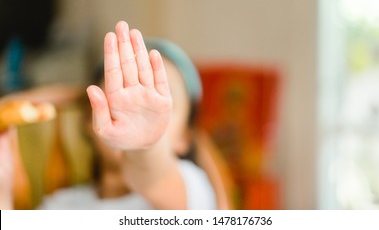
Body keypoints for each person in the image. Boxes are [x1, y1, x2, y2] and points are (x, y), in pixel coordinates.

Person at [0, 21, 217, 210]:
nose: (132, 109)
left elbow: (153, 177)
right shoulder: (61, 205)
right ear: (88, 119)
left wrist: (144, 143)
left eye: (164, 102)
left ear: (184, 139)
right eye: (116, 95)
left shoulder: (193, 189)